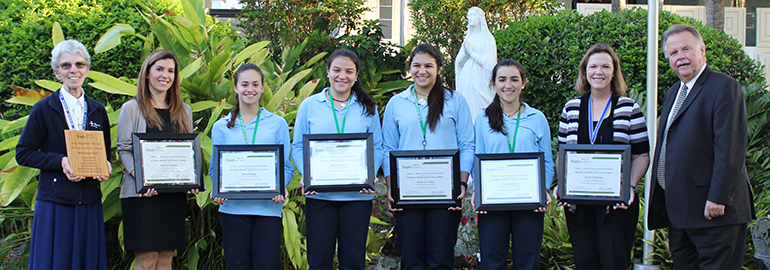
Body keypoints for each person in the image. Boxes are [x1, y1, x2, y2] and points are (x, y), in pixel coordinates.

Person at [649, 24, 755, 270]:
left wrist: (718, 198)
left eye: (686, 49)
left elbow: (730, 147)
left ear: (702, 50)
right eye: (673, 53)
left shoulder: (724, 87)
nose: (680, 57)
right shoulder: (674, 92)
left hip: (714, 212)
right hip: (681, 213)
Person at [16, 39, 110, 270]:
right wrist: (60, 161)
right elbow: (23, 153)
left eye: (79, 64)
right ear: (56, 72)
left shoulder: (97, 110)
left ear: (87, 69)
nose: (73, 70)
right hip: (55, 201)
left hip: (89, 200)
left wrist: (103, 165)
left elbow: (104, 151)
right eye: (66, 65)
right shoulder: (43, 108)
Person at [555, 43, 650, 270]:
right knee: (585, 262)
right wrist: (563, 184)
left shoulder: (629, 108)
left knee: (614, 263)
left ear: (614, 72)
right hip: (578, 205)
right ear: (585, 71)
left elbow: (642, 155)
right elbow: (562, 154)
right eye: (593, 66)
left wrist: (630, 187)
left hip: (617, 206)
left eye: (606, 66)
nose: (599, 72)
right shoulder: (571, 108)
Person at [382, 44, 474, 269]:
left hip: (445, 192)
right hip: (408, 191)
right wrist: (391, 187)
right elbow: (388, 148)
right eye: (416, 65)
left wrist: (461, 183)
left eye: (428, 66)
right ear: (410, 69)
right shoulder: (396, 103)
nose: (422, 71)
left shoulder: (455, 101)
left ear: (439, 69)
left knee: (441, 257)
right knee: (411, 258)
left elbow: (467, 144)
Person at [291, 49, 383, 270]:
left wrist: (369, 173)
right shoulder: (309, 106)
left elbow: (378, 146)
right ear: (328, 72)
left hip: (357, 197)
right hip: (320, 195)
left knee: (353, 260)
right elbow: (297, 146)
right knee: (319, 259)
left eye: (349, 71)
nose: (343, 76)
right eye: (337, 70)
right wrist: (307, 174)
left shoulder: (367, 108)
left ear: (356, 75)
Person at [470, 59, 553, 270]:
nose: (508, 85)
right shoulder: (483, 119)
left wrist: (543, 189)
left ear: (524, 83)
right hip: (493, 201)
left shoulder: (537, 118)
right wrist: (478, 191)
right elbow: (478, 156)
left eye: (514, 79)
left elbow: (547, 160)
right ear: (493, 84)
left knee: (527, 260)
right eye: (502, 79)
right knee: (491, 259)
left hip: (529, 202)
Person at [117, 49, 194, 270]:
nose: (165, 75)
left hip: (172, 196)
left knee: (166, 256)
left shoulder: (183, 111)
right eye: (159, 69)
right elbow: (124, 149)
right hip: (142, 195)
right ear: (147, 73)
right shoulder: (132, 109)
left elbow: (187, 152)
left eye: (170, 71)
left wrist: (191, 179)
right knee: (147, 258)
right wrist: (140, 178)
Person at [209, 63, 292, 269]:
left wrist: (281, 186)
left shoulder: (277, 124)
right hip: (233, 209)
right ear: (235, 87)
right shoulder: (221, 126)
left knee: (267, 265)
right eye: (244, 84)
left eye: (255, 84)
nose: (250, 89)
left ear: (263, 87)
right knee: (237, 264)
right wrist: (217, 188)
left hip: (268, 209)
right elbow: (215, 169)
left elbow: (287, 167)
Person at [455, 6, 497, 117]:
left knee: (483, 109)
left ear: (480, 17)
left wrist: (472, 53)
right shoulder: (468, 38)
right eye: (468, 16)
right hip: (467, 79)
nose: (470, 18)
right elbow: (458, 62)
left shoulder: (488, 38)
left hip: (481, 79)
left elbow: (490, 64)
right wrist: (465, 52)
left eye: (473, 15)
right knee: (467, 109)